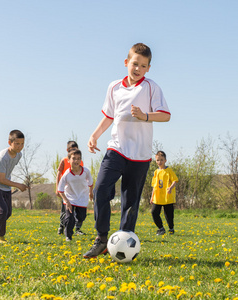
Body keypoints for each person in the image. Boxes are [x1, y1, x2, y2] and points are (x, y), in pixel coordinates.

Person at [83, 43, 171, 258]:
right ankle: (101, 238)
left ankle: (124, 244)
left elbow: (166, 115)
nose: (137, 69)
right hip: (117, 149)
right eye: (134, 64)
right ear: (126, 63)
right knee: (101, 189)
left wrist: (145, 116)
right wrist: (94, 135)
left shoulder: (151, 87)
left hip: (140, 155)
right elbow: (109, 115)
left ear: (148, 68)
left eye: (143, 65)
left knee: (130, 204)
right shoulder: (114, 87)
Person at [0, 130, 28, 245]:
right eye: (17, 143)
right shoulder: (3, 156)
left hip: (5, 185)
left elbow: (3, 172)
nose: (20, 147)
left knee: (7, 213)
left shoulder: (19, 155)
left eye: (22, 144)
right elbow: (1, 179)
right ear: (9, 142)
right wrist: (18, 185)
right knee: (2, 210)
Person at [57, 149, 94, 241]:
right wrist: (66, 201)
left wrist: (91, 192)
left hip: (82, 198)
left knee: (81, 217)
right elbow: (60, 189)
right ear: (68, 160)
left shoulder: (86, 171)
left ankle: (72, 221)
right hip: (70, 198)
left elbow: (90, 182)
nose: (76, 161)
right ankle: (68, 236)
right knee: (70, 218)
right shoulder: (67, 174)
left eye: (78, 159)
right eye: (74, 159)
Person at [55, 141, 86, 236]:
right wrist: (57, 187)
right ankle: (61, 226)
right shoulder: (64, 161)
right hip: (65, 191)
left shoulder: (80, 162)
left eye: (76, 149)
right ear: (67, 150)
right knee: (65, 210)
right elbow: (59, 174)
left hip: (76, 191)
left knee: (78, 212)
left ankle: (77, 229)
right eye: (72, 150)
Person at [150, 151, 178, 235]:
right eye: (158, 160)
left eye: (161, 160)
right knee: (154, 212)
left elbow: (175, 181)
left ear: (165, 160)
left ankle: (171, 228)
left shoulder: (169, 171)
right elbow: (154, 186)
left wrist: (170, 187)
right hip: (157, 197)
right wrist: (152, 197)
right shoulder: (156, 172)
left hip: (167, 197)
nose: (160, 162)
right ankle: (161, 228)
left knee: (169, 215)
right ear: (156, 161)